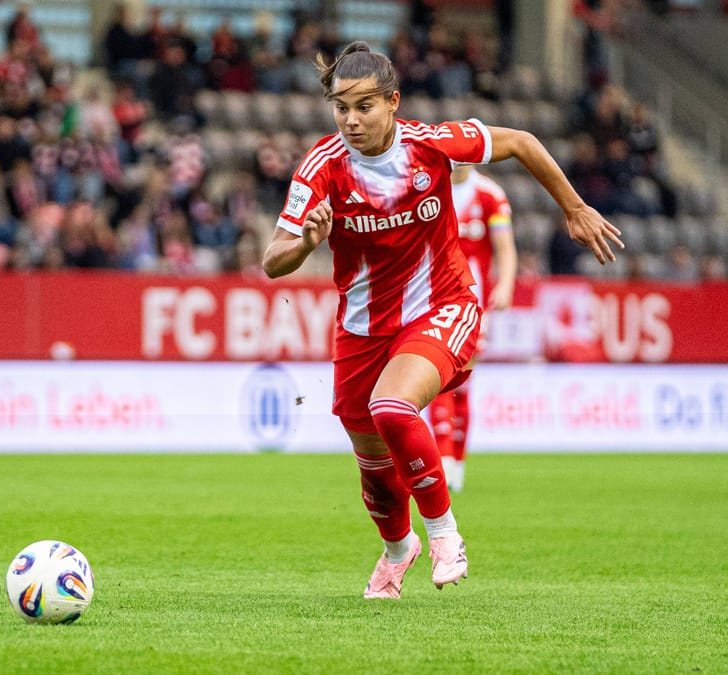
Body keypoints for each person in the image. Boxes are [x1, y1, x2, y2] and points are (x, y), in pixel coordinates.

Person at [262, 42, 621, 600]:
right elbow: (272, 261)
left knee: (392, 407)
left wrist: (573, 208)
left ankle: (444, 533)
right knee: (372, 464)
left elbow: (522, 142)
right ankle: (397, 548)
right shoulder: (322, 168)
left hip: (443, 307)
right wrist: (307, 241)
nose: (351, 121)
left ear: (393, 103)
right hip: (361, 329)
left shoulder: (433, 146)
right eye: (341, 108)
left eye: (364, 107)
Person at [428, 164, 517, 492]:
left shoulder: (490, 195)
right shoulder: (429, 188)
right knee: (439, 379)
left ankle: (457, 463)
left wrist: (506, 284)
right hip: (433, 301)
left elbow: (505, 248)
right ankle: (445, 459)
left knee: (461, 383)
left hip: (474, 306)